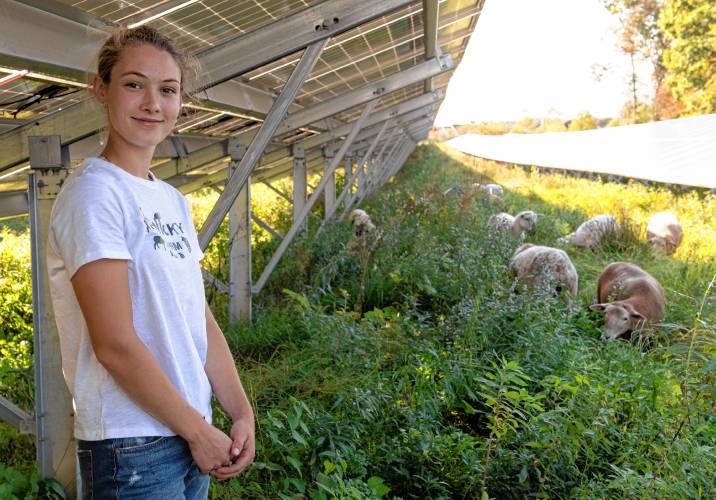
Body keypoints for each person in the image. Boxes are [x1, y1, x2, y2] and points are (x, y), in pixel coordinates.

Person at [46, 26, 255, 499]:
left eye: (168, 90)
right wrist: (199, 433)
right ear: (101, 89)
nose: (152, 103)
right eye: (134, 84)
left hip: (187, 429)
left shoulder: (170, 200)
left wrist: (240, 411)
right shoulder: (95, 194)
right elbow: (115, 344)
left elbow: (196, 317)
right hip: (131, 445)